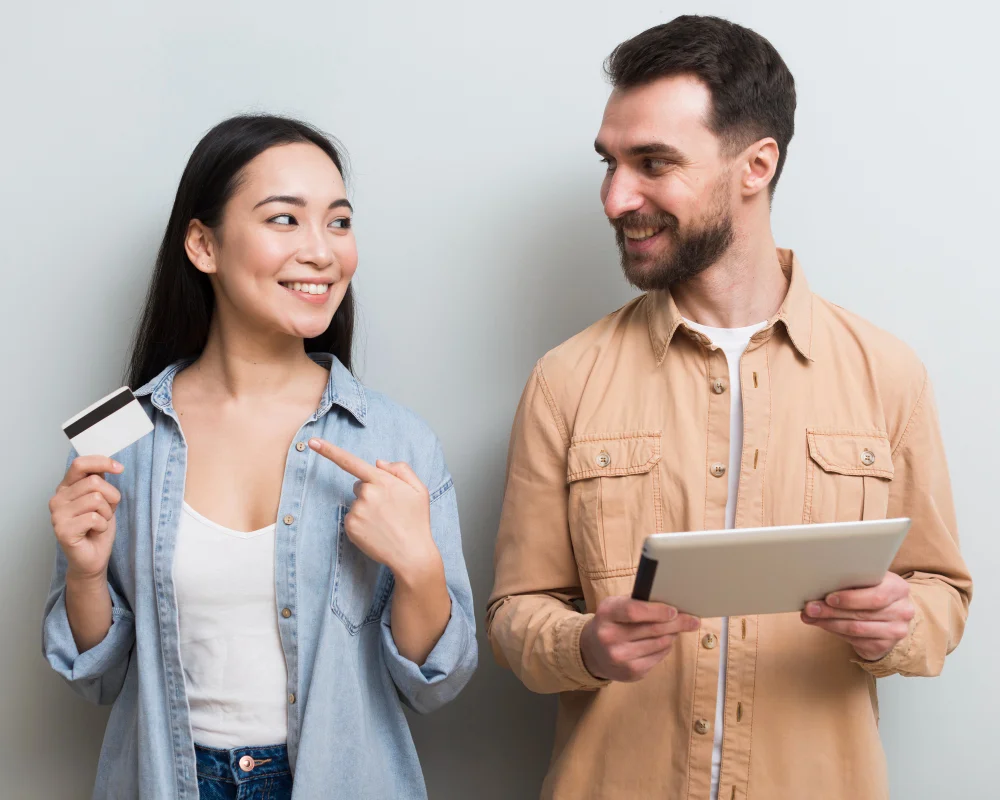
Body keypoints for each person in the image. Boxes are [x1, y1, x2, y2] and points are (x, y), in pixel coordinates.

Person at [487, 15, 971, 800]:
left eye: (653, 163)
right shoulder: (565, 379)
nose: (616, 198)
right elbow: (515, 615)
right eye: (609, 164)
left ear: (756, 165)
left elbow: (944, 594)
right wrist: (585, 645)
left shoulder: (888, 374)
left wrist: (903, 622)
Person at [43, 114, 477, 800]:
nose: (322, 251)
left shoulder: (396, 440)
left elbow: (436, 683)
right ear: (202, 244)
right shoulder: (120, 431)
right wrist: (86, 575)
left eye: (338, 222)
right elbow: (94, 677)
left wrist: (419, 566)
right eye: (284, 220)